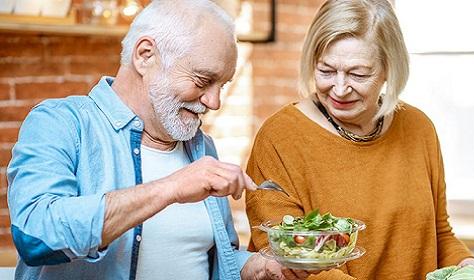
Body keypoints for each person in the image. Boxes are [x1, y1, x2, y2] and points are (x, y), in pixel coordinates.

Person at [7, 1, 305, 279]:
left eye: (222, 85)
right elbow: (35, 236)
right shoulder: (62, 122)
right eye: (203, 81)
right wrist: (170, 187)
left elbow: (203, 257)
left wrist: (255, 266)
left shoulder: (199, 146)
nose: (214, 102)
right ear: (145, 55)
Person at [244, 0, 474, 279]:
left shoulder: (419, 128)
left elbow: (440, 234)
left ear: (389, 69)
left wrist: (470, 265)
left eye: (358, 73)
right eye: (326, 70)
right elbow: (289, 262)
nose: (339, 88)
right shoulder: (280, 138)